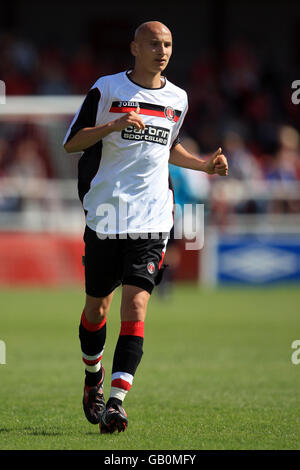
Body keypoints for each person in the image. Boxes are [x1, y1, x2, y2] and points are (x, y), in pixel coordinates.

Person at [63, 21, 228, 434]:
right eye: (154, 43)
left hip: (153, 219)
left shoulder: (178, 98)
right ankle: (92, 377)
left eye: (168, 43)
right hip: (106, 216)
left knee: (135, 307)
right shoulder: (107, 89)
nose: (162, 50)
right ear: (134, 47)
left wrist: (204, 164)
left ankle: (116, 402)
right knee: (96, 310)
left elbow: (169, 147)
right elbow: (73, 142)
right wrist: (113, 127)